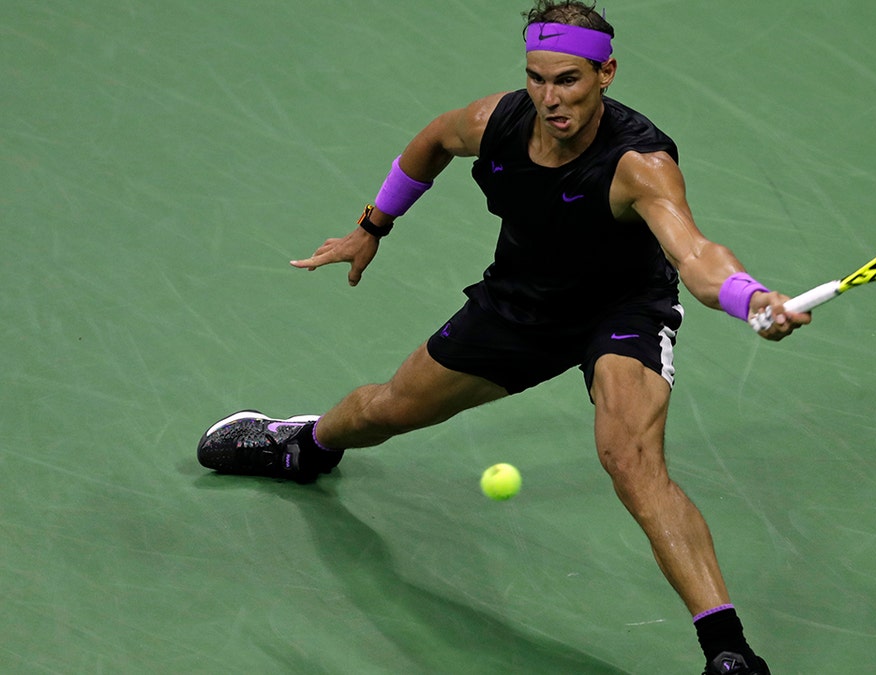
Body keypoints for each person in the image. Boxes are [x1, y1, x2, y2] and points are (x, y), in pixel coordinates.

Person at [197, 2, 809, 672]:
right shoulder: (496, 122)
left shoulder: (639, 164)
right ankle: (303, 446)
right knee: (390, 408)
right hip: (521, 303)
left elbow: (693, 255)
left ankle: (728, 651)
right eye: (537, 79)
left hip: (621, 311)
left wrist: (750, 299)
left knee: (631, 460)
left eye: (569, 80)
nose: (550, 98)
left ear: (606, 72)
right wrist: (372, 225)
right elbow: (429, 144)